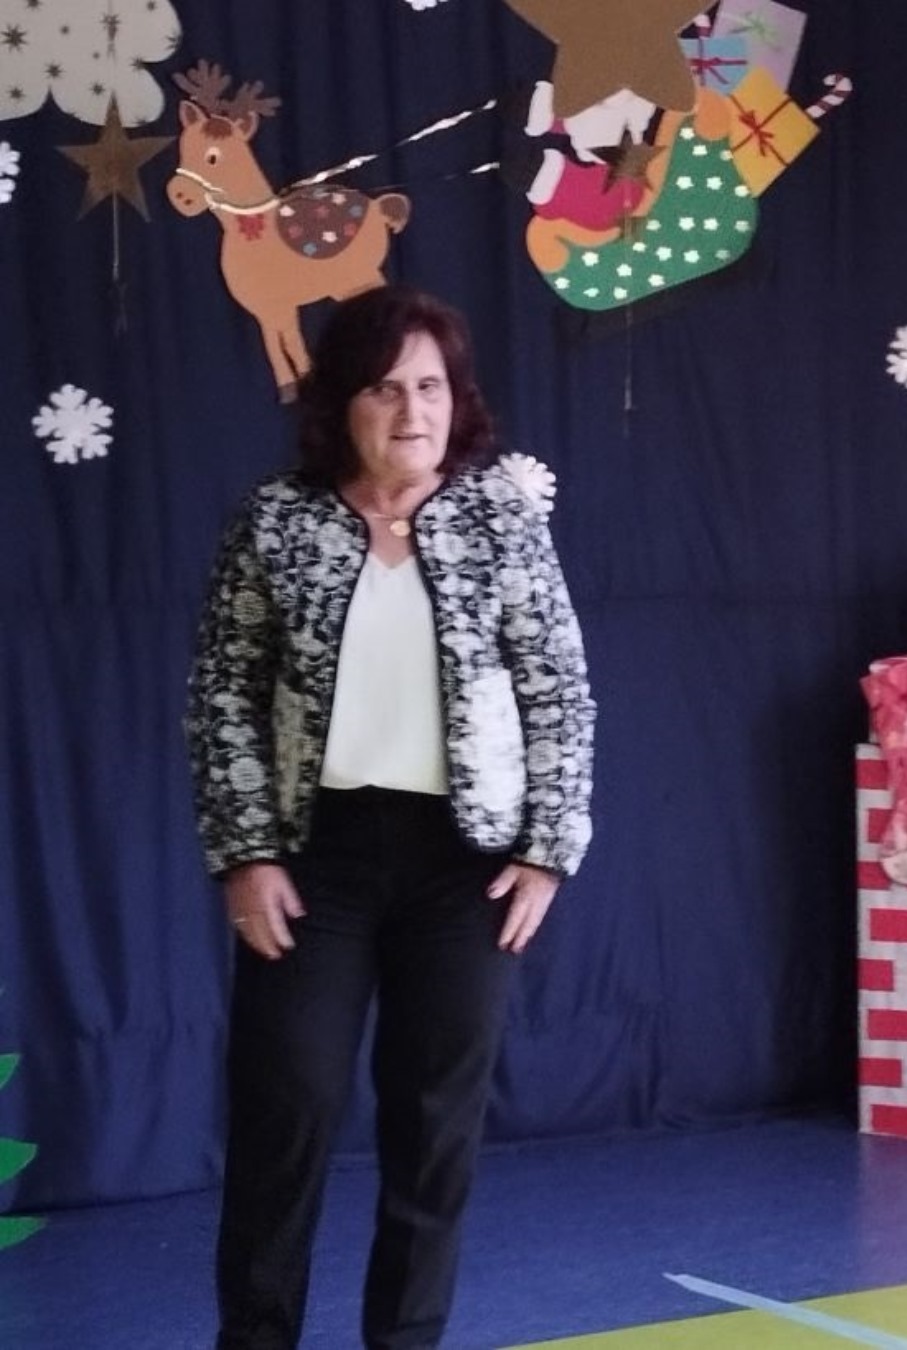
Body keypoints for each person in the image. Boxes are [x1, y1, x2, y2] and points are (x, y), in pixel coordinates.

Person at [184, 284, 595, 1349]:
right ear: (341, 404)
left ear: (458, 400)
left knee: (434, 1126)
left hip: (464, 868)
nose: (413, 412)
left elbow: (557, 689)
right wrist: (245, 854)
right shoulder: (276, 519)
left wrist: (547, 851)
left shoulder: (502, 518)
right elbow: (223, 692)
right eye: (384, 389)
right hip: (312, 861)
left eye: (431, 387)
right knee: (286, 1110)